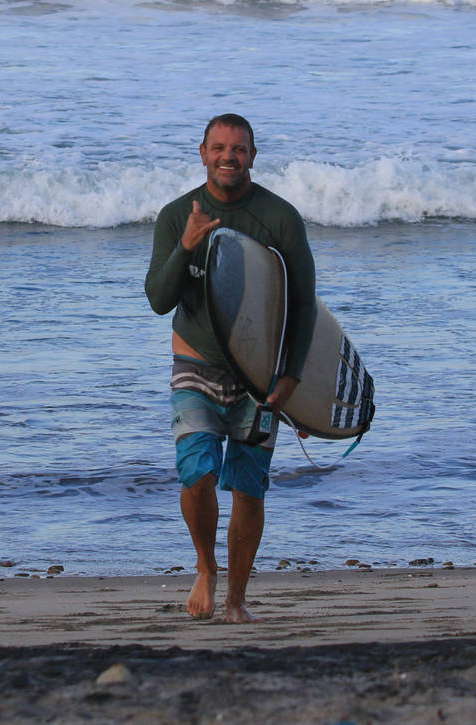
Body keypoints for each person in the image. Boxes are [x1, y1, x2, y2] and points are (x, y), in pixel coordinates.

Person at [145, 114, 317, 623]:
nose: (228, 156)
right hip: (195, 363)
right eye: (218, 147)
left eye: (239, 149)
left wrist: (292, 378)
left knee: (248, 485)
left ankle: (237, 598)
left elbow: (304, 305)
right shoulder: (177, 216)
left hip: (258, 376)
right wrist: (188, 246)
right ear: (202, 154)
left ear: (253, 156)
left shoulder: (280, 218)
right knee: (196, 472)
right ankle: (205, 567)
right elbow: (158, 299)